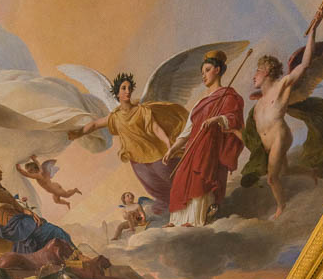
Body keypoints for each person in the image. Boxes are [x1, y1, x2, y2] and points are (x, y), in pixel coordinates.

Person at [243, 9, 323, 219]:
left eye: (257, 72)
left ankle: (282, 208)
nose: (254, 77)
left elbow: (304, 65)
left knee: (272, 178)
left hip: (280, 135)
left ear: (268, 72)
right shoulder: (258, 103)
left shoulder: (282, 85)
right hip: (267, 141)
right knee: (285, 172)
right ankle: (311, 173)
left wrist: (313, 30)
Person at [68, 73, 187, 214]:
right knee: (153, 186)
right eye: (124, 88)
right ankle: (174, 210)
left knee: (173, 178)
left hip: (155, 153)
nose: (128, 91)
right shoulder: (116, 117)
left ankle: (190, 203)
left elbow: (155, 128)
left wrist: (168, 143)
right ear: (117, 93)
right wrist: (78, 133)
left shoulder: (142, 110)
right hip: (137, 160)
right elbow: (94, 125)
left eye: (129, 88)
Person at [163, 51, 244, 227]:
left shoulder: (228, 96)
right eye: (202, 72)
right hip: (193, 148)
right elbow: (186, 132)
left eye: (207, 70)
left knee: (200, 182)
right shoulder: (200, 103)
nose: (204, 75)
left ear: (217, 70)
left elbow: (234, 119)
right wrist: (172, 149)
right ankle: (177, 220)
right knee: (180, 180)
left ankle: (195, 220)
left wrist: (217, 119)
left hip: (210, 149)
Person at [0, 158, 77, 267]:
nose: (1, 171)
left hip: (21, 220)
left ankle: (70, 260)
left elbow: (17, 206)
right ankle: (74, 259)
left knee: (53, 231)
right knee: (54, 231)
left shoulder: (2, 189)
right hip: (12, 225)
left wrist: (28, 212)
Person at [16, 155, 82, 209]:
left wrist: (20, 170)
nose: (29, 172)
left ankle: (75, 190)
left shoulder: (38, 175)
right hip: (54, 187)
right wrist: (34, 159)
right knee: (56, 201)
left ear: (35, 169)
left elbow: (27, 175)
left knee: (66, 195)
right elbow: (38, 165)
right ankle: (67, 203)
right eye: (28, 170)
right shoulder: (40, 171)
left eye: (30, 170)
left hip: (54, 189)